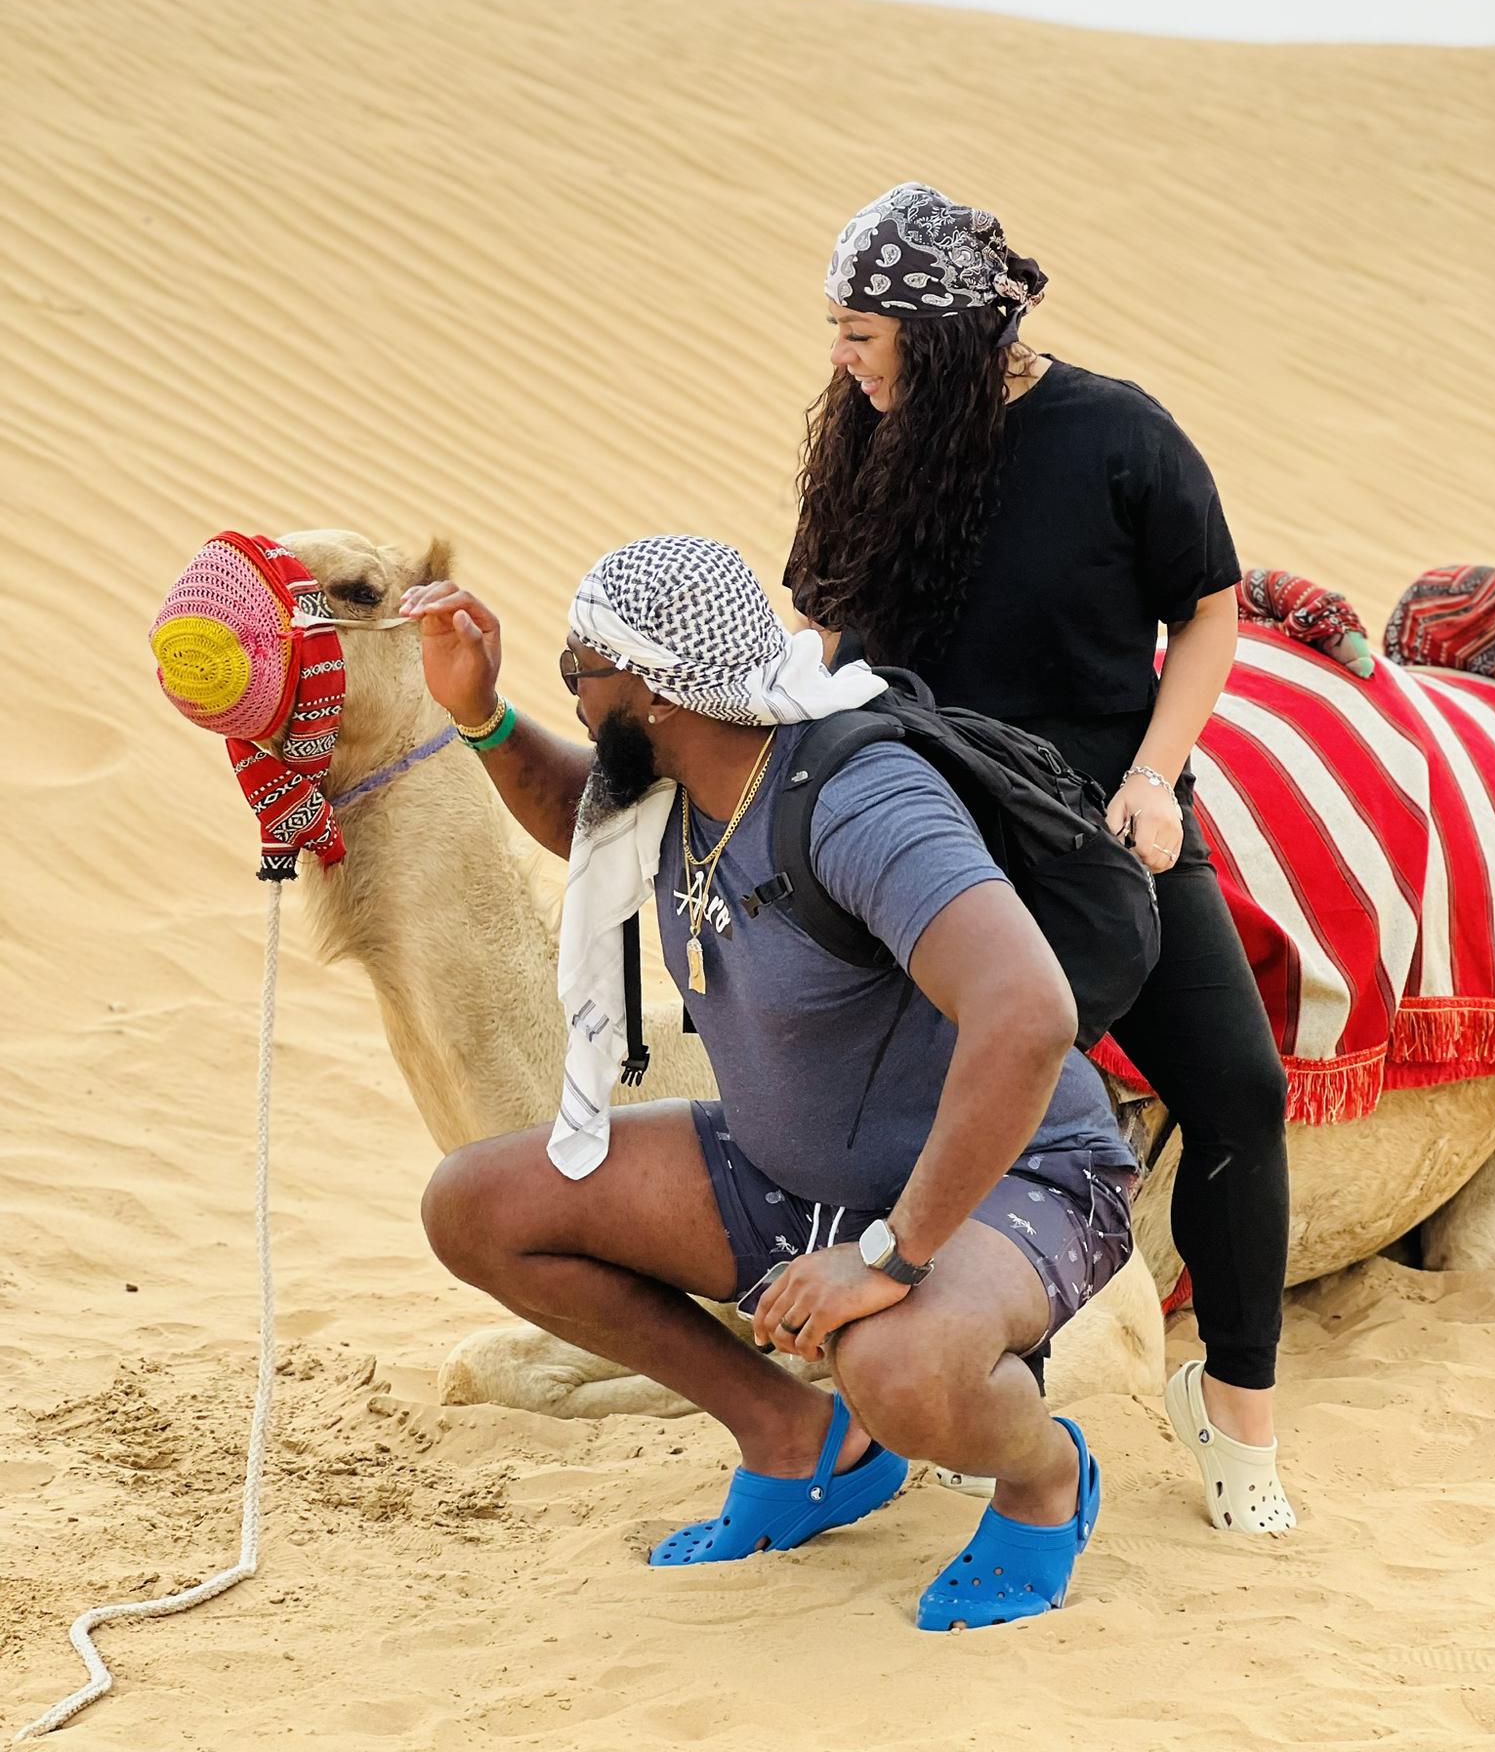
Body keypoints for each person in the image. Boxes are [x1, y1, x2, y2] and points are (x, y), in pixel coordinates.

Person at [400, 534, 1139, 1629]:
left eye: (578, 670)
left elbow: (1029, 1013)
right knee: (477, 1206)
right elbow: (580, 819)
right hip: (791, 1171)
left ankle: (1044, 1481)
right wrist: (481, 713)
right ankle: (796, 1439)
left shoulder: (857, 802)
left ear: (655, 690)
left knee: (900, 1366)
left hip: (1013, 1177)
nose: (576, 694)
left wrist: (891, 1254)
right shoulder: (686, 779)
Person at [787, 183, 1296, 1535]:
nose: (840, 357)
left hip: (1104, 825)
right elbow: (833, 644)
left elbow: (1208, 610)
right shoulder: (868, 433)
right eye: (837, 329)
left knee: (1240, 1091)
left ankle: (1236, 1412)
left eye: (861, 333)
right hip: (928, 832)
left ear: (946, 336)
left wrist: (1154, 778)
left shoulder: (1118, 434)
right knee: (920, 1103)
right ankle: (933, 1388)